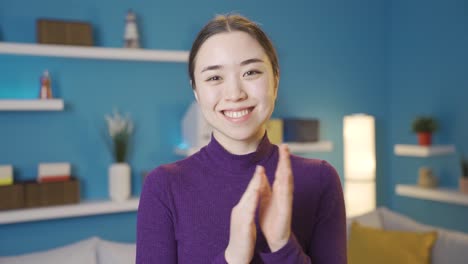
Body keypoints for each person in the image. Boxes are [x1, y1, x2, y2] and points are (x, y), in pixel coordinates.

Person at [136, 14, 346, 264]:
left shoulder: (320, 180)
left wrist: (281, 245)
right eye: (214, 77)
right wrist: (233, 257)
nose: (235, 93)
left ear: (275, 81)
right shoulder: (163, 186)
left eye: (251, 72)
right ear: (196, 91)